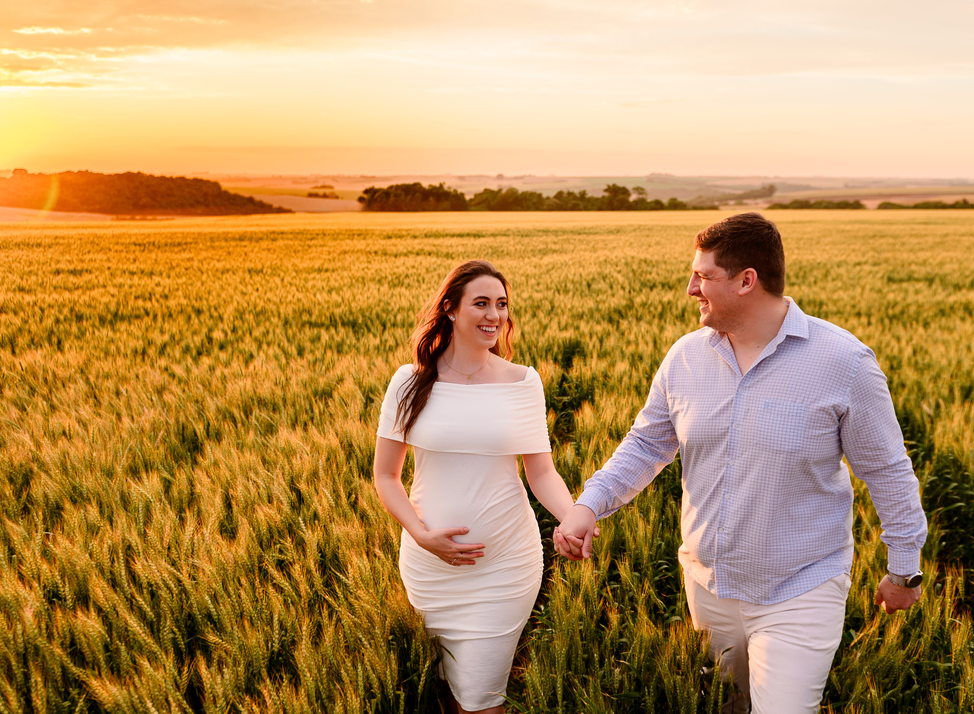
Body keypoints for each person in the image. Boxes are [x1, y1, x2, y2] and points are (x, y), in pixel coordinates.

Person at [554, 213, 928, 714]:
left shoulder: (844, 363)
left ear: (747, 280)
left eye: (703, 276)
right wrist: (589, 505)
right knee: (726, 705)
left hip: (801, 586)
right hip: (708, 587)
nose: (691, 288)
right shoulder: (685, 357)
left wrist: (905, 569)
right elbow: (646, 446)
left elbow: (887, 470)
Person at [374, 259, 585, 714]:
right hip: (428, 567)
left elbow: (541, 472)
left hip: (505, 565)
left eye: (502, 305)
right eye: (482, 304)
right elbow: (385, 476)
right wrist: (422, 536)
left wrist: (573, 518)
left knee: (480, 699)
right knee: (449, 692)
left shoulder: (522, 382)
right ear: (450, 309)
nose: (494, 315)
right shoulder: (409, 383)